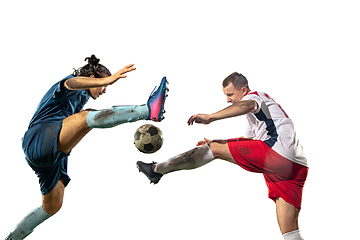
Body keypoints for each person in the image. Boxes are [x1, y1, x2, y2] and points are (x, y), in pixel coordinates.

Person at [5, 55, 168, 240]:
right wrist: (109, 78)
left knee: (52, 207)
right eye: (103, 85)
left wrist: (103, 82)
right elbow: (72, 83)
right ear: (92, 78)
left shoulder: (82, 97)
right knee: (85, 118)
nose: (105, 90)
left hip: (51, 158)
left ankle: (13, 238)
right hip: (40, 138)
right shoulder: (70, 85)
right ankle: (147, 110)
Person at [137, 72, 308, 240]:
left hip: (279, 153)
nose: (228, 99)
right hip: (296, 166)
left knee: (214, 149)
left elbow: (247, 105)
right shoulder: (260, 115)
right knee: (290, 232)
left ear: (244, 89)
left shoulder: (255, 96)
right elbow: (246, 141)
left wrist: (211, 118)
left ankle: (156, 170)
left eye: (230, 94)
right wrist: (217, 141)